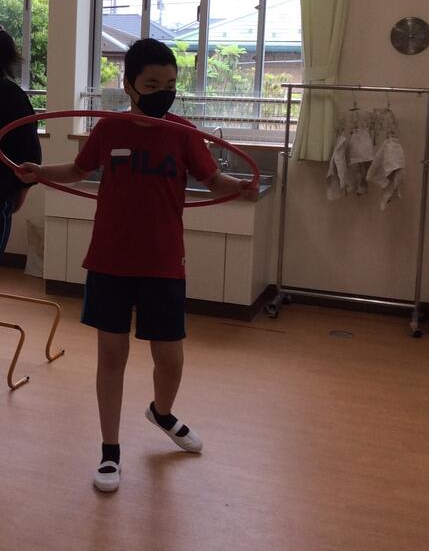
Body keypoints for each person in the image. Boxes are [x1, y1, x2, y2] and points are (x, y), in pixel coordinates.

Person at [18, 38, 258, 493]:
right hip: (110, 258)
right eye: (152, 85)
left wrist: (240, 187)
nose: (163, 93)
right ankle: (110, 452)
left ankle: (162, 413)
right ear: (128, 85)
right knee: (112, 355)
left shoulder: (183, 133)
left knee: (170, 358)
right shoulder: (109, 130)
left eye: (170, 85)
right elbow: (78, 171)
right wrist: (40, 173)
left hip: (163, 260)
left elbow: (212, 178)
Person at [0, 25, 42, 257]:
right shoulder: (12, 95)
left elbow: (28, 157)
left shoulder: (11, 95)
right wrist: (21, 191)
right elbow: (29, 153)